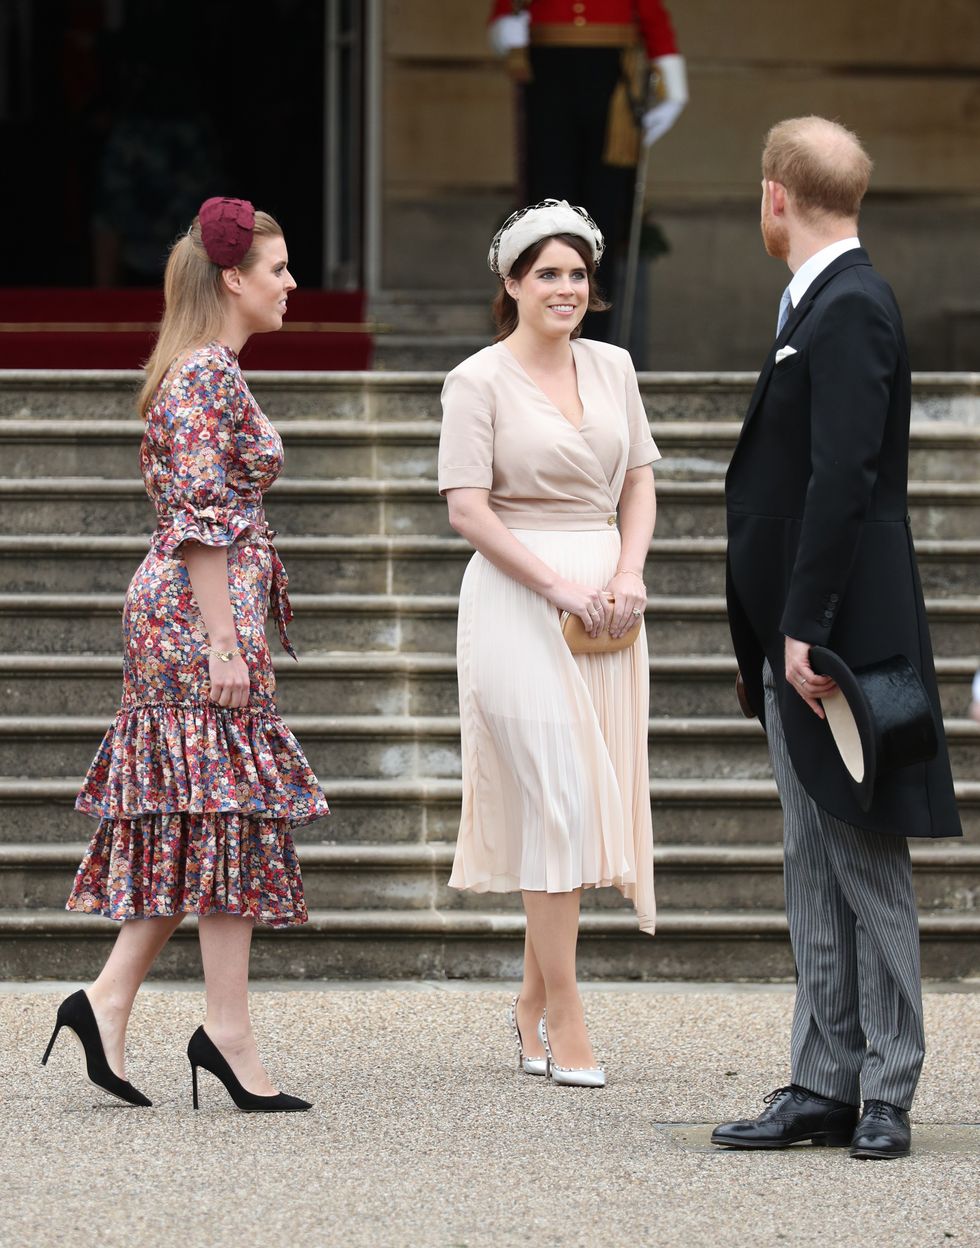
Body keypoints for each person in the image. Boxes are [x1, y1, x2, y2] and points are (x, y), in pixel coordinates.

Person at [45, 197, 329, 1112]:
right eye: (278, 269)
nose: (292, 284)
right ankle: (226, 1033)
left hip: (199, 612)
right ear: (233, 279)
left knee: (203, 816)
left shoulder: (208, 370)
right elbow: (203, 520)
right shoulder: (204, 374)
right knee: (226, 815)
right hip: (195, 618)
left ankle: (108, 1000)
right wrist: (223, 641)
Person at [713, 118, 962, 1159]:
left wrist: (806, 628)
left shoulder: (850, 303)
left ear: (776, 195)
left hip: (837, 635)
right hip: (797, 632)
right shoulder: (817, 301)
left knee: (864, 855)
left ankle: (886, 1088)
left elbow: (843, 479)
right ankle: (823, 1081)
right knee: (811, 859)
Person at [438, 198, 659, 1086]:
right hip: (516, 601)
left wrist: (630, 572)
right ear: (513, 283)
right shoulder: (476, 381)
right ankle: (567, 1014)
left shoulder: (614, 366)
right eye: (546, 274)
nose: (565, 288)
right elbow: (467, 510)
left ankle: (531, 1001)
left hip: (609, 603)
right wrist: (559, 585)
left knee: (575, 807)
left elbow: (638, 482)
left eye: (576, 274)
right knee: (561, 798)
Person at [488, 1, 688, 342]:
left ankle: (595, 338)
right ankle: (540, 333)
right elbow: (506, 12)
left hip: (609, 79)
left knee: (604, 214)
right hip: (548, 74)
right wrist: (506, 29)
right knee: (545, 210)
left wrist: (673, 89)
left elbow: (651, 15)